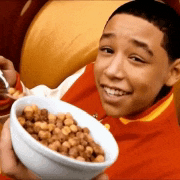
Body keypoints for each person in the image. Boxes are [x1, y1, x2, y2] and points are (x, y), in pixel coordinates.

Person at [0, 0, 180, 179]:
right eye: (108, 50)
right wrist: (7, 89)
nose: (111, 71)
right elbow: (43, 107)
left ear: (174, 72)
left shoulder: (170, 167)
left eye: (136, 59)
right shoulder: (90, 75)